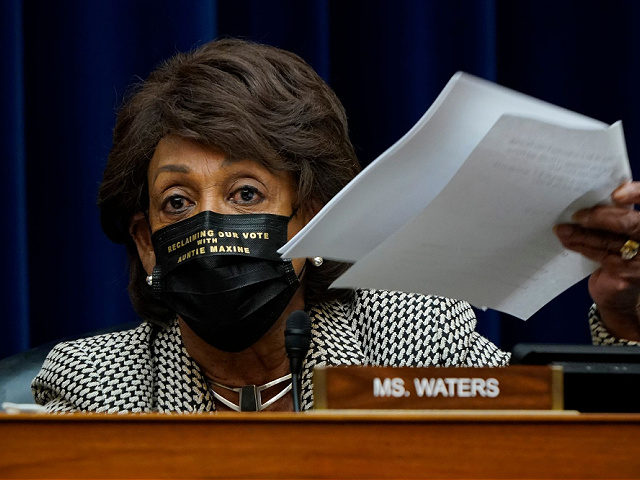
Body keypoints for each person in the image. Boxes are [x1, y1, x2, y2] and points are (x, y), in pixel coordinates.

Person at [32, 39, 639, 413]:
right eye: (178, 202)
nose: (210, 221)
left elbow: (564, 446)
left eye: (246, 193)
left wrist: (626, 318)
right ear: (147, 244)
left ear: (312, 216)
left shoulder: (411, 340)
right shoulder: (90, 385)